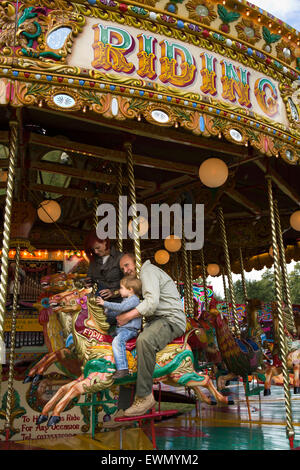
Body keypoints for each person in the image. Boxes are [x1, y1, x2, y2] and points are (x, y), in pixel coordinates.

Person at [118, 253, 186, 417]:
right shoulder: (141, 279)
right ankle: (122, 408)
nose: (126, 270)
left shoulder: (147, 271)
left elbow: (152, 303)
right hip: (157, 321)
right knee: (127, 352)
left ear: (136, 262)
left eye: (127, 265)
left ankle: (145, 396)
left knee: (144, 340)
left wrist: (128, 316)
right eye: (122, 268)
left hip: (170, 319)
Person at [96, 276, 142, 379]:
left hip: (129, 330)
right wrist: (106, 312)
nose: (119, 290)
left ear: (130, 290)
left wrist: (105, 303)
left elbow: (121, 308)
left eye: (121, 288)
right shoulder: (126, 300)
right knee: (105, 337)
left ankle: (122, 369)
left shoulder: (134, 299)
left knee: (117, 342)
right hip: (121, 329)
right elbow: (118, 312)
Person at [84, 230, 123, 301]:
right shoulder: (94, 261)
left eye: (98, 248)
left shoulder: (120, 257)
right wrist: (87, 284)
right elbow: (89, 278)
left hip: (118, 299)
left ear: (105, 242)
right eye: (93, 249)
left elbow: (130, 283)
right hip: (99, 299)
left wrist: (114, 292)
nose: (95, 252)